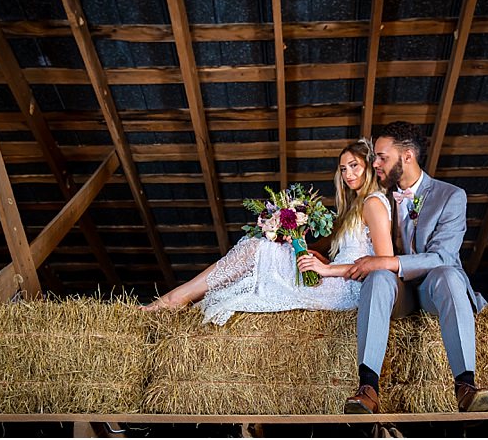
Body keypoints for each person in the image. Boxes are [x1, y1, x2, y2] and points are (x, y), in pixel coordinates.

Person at [140, 140, 394, 326]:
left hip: (346, 292)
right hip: (338, 279)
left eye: (354, 166)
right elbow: (353, 255)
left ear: (370, 167)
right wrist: (319, 258)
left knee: (257, 249)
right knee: (269, 250)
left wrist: (327, 270)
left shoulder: (373, 203)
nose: (348, 174)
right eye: (343, 169)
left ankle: (175, 299)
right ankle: (182, 302)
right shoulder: (354, 208)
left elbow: (384, 265)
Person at [343, 121, 488, 414]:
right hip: (397, 294)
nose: (375, 163)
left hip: (433, 290)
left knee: (450, 274)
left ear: (408, 156)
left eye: (382, 157)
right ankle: (368, 388)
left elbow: (444, 257)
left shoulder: (450, 196)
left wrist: (387, 261)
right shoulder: (378, 197)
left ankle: (466, 386)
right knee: (376, 279)